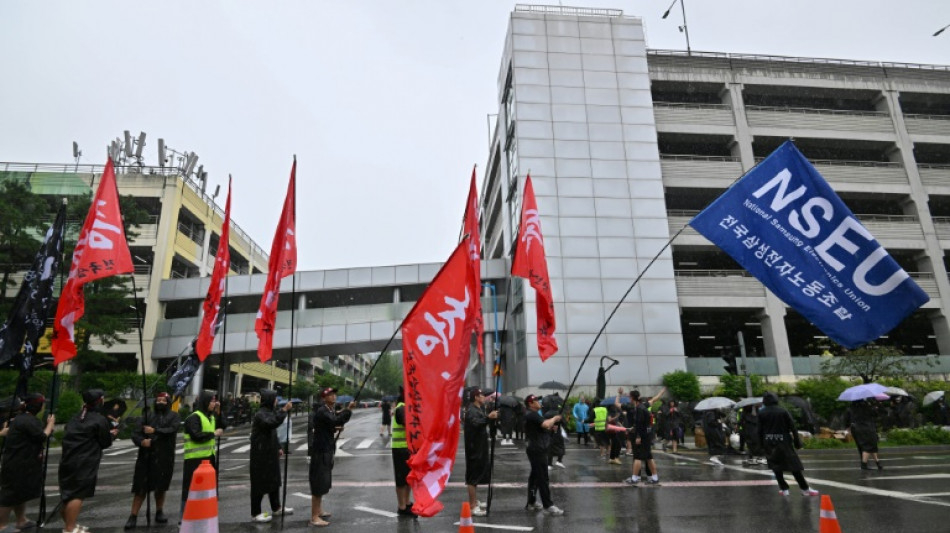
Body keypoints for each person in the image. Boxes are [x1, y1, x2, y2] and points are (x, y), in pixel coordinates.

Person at [58, 389, 117, 533]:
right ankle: (69, 528)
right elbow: (105, 441)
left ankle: (70, 524)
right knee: (77, 495)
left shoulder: (76, 417)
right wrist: (112, 435)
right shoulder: (98, 419)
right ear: (100, 401)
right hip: (85, 462)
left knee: (67, 494)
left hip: (67, 460)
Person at [124, 392, 180, 529]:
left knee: (161, 487)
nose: (160, 402)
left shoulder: (174, 416)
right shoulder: (147, 416)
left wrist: (155, 430)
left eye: (164, 400)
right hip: (146, 456)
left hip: (165, 456)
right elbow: (135, 433)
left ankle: (159, 511)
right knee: (140, 488)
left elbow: (172, 429)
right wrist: (142, 441)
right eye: (158, 400)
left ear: (168, 402)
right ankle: (133, 516)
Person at [0, 394, 55, 533]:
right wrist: (50, 425)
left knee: (21, 492)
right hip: (18, 462)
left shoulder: (24, 419)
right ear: (39, 407)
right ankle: (2, 525)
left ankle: (21, 520)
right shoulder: (27, 420)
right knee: (9, 494)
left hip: (23, 461)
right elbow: (42, 436)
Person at [758, 392, 819, 497]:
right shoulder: (782, 411)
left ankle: (784, 489)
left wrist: (761, 445)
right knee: (794, 466)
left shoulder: (761, 413)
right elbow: (792, 427)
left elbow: (759, 430)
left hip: (769, 442)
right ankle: (805, 488)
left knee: (776, 466)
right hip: (784, 441)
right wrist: (797, 442)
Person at [309, 387, 355, 527]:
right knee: (318, 483)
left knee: (323, 482)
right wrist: (348, 410)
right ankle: (314, 516)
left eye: (334, 394)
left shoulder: (328, 410)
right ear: (324, 398)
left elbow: (332, 423)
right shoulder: (323, 411)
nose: (334, 396)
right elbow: (336, 420)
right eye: (330, 395)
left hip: (326, 449)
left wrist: (335, 428)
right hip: (321, 451)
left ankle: (319, 510)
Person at [249, 389, 294, 523]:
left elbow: (272, 432)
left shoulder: (269, 412)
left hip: (271, 452)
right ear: (269, 400)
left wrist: (279, 447)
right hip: (260, 455)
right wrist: (284, 410)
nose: (276, 401)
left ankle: (277, 507)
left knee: (274, 481)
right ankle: (255, 513)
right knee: (259, 484)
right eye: (275, 399)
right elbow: (272, 423)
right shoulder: (261, 414)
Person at [180, 391, 224, 521]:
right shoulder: (194, 417)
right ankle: (183, 518)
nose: (214, 403)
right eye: (211, 401)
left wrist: (219, 410)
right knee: (190, 489)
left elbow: (224, 424)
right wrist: (213, 434)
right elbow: (196, 435)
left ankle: (201, 516)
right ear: (205, 401)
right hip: (194, 459)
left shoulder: (210, 417)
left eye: (215, 400)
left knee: (206, 489)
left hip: (208, 459)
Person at [522, 394, 564, 516]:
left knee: (535, 476)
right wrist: (555, 419)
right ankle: (548, 505)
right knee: (543, 478)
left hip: (535, 448)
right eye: (536, 400)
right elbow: (545, 424)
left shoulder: (533, 415)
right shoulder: (532, 414)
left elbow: (541, 429)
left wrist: (551, 429)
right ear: (530, 404)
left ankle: (531, 502)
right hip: (537, 450)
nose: (539, 402)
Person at [464, 388, 498, 516]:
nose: (485, 397)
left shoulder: (479, 409)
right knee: (472, 478)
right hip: (474, 449)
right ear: (476, 397)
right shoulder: (472, 411)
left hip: (480, 447)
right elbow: (476, 423)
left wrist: (490, 419)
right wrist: (489, 418)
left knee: (477, 476)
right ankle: (472, 506)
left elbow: (483, 423)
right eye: (482, 395)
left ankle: (474, 501)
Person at [623, 390, 659, 486]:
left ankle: (634, 478)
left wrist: (638, 436)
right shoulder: (642, 407)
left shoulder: (639, 408)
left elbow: (640, 424)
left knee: (638, 457)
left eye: (629, 397)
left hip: (642, 436)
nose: (629, 399)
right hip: (647, 435)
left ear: (632, 398)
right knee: (649, 457)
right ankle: (655, 478)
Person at [390, 388, 415, 518]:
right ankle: (402, 506)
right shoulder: (401, 408)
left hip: (407, 448)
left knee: (408, 478)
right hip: (400, 448)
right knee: (401, 479)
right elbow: (408, 424)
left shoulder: (405, 407)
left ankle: (407, 502)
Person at [844, 399, 883, 470]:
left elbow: (846, 419)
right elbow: (875, 414)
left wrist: (847, 428)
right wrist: (876, 406)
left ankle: (877, 462)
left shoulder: (850, 408)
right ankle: (864, 464)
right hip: (867, 427)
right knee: (869, 445)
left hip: (855, 429)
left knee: (861, 446)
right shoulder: (866, 406)